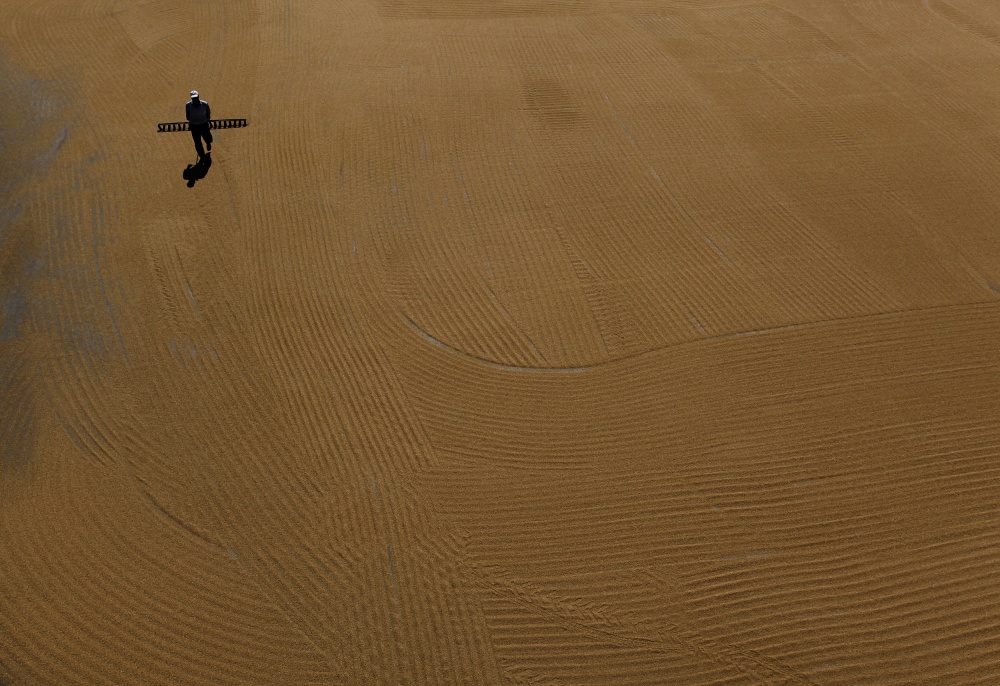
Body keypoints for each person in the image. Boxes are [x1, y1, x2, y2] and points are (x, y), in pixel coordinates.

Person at [186, 90, 213, 158]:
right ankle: (202, 155)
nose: (195, 99)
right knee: (197, 142)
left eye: (196, 97)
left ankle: (208, 143)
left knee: (207, 137)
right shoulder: (188, 105)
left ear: (198, 96)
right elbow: (187, 115)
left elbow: (208, 113)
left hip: (204, 124)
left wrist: (207, 120)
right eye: (193, 98)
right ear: (191, 98)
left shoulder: (205, 104)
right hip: (194, 126)